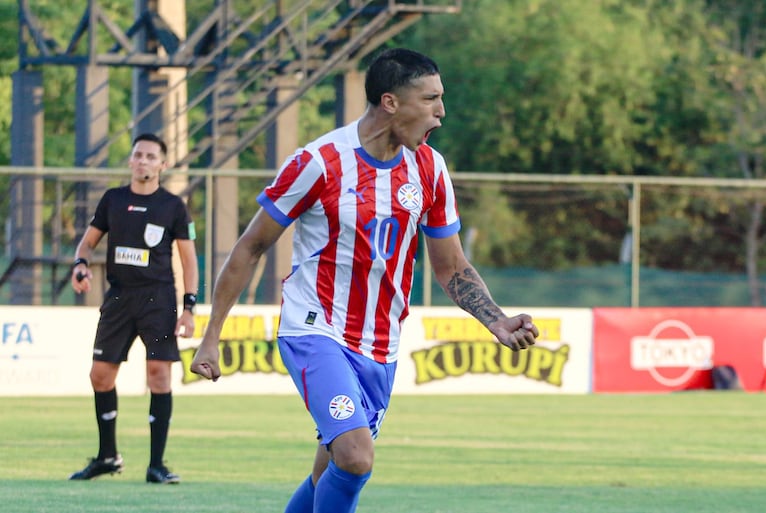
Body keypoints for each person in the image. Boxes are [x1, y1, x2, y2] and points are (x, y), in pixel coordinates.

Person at [190, 48, 539, 511]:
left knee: (328, 472)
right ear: (391, 102)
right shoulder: (319, 162)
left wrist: (495, 320)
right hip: (315, 327)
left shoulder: (431, 169)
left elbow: (451, 266)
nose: (441, 111)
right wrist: (212, 335)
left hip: (380, 343)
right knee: (355, 456)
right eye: (431, 99)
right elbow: (250, 247)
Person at [68, 133, 199, 484]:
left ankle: (156, 465)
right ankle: (107, 456)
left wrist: (189, 306)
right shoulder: (113, 199)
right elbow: (88, 242)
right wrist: (80, 264)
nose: (143, 161)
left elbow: (189, 260)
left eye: (150, 156)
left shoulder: (173, 206)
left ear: (162, 164)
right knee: (100, 374)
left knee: (159, 374)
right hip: (119, 297)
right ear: (130, 161)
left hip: (158, 298)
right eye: (138, 155)